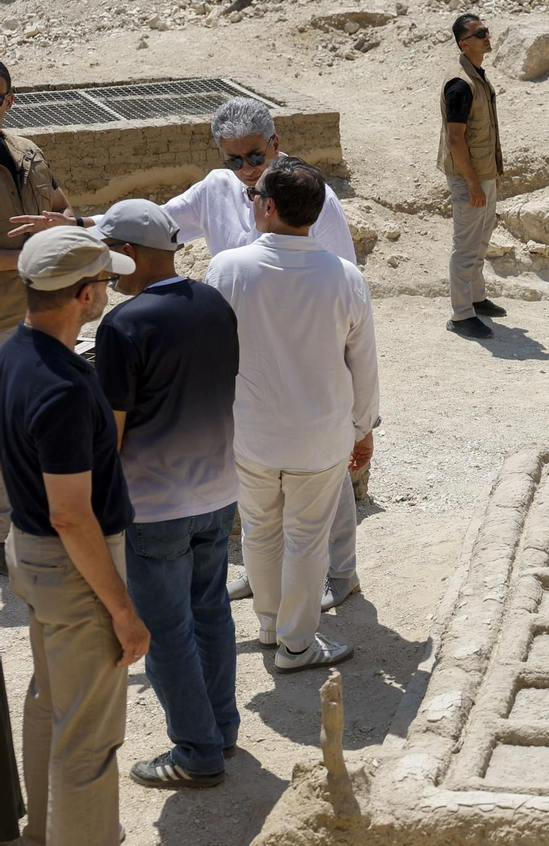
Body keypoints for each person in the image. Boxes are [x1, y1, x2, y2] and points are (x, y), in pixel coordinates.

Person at [9, 96, 363, 613]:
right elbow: (154, 223)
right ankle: (268, 578)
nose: (245, 170)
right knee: (255, 469)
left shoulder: (307, 196)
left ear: (276, 146)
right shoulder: (217, 190)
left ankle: (341, 572)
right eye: (234, 159)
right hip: (238, 351)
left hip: (300, 345)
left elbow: (343, 278)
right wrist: (78, 225)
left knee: (321, 462)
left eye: (254, 157)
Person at [0, 226, 147, 846]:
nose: (111, 291)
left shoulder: (12, 351)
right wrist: (121, 610)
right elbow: (71, 514)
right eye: (108, 282)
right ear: (85, 295)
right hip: (72, 565)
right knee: (90, 737)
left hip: (29, 555)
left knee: (49, 701)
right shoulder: (62, 388)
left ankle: (45, 841)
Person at [204, 158, 379, 673]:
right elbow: (363, 364)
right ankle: (297, 643)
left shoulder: (227, 270)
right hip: (319, 436)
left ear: (270, 206)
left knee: (259, 530)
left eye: (255, 196)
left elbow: (212, 355)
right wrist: (363, 428)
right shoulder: (344, 277)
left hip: (251, 431)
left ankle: (267, 622)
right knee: (307, 537)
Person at [92, 200, 240, 788]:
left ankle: (197, 751)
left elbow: (115, 430)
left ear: (129, 254)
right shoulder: (213, 302)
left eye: (110, 260)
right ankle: (221, 729)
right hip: (218, 492)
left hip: (154, 507)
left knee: (167, 629)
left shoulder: (123, 325)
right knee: (212, 613)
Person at [1, 60, 82, 565]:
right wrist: (32, 259)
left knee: (34, 429)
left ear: (9, 100)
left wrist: (63, 225)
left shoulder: (27, 152)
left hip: (42, 316)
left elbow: (63, 206)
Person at [439, 13, 507, 340]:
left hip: (482, 172)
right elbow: (455, 138)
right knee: (465, 245)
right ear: (464, 44)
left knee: (481, 238)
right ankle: (461, 314)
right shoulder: (460, 83)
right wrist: (471, 183)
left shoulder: (475, 74)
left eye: (486, 31)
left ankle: (476, 298)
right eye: (480, 34)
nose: (487, 36)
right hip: (470, 176)